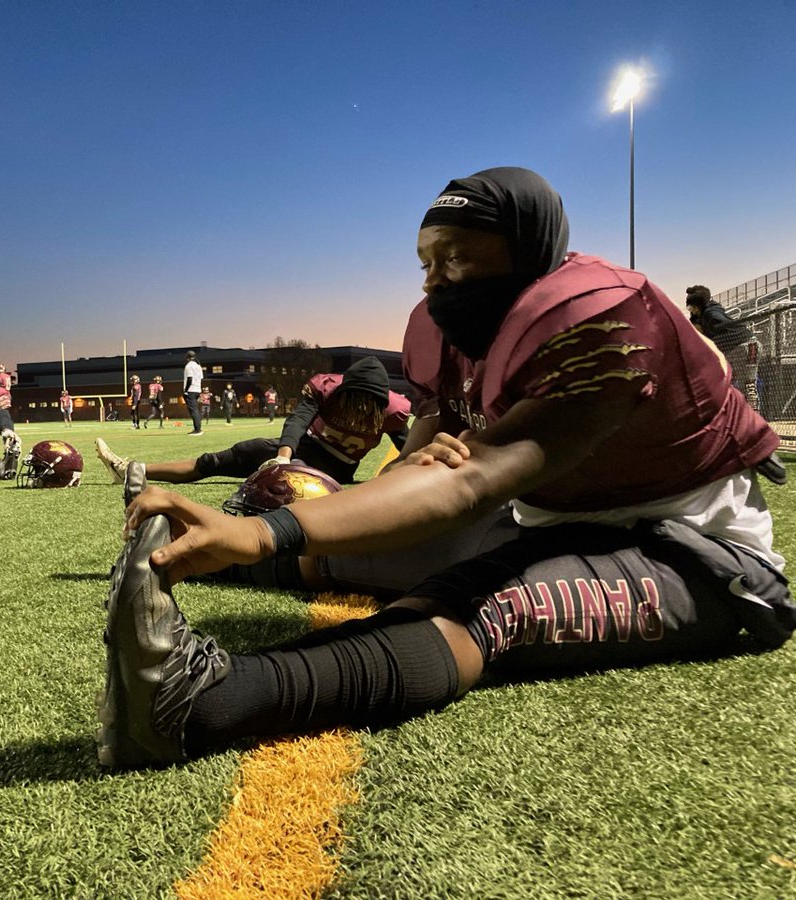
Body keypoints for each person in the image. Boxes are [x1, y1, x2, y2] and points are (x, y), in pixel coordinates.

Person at [95, 165, 793, 771]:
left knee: (488, 602)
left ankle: (200, 704)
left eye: (458, 256)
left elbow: (470, 480)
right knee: (373, 546)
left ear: (529, 249)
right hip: (542, 518)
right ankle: (189, 559)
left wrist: (264, 530)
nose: (437, 280)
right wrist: (383, 480)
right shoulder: (445, 335)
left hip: (688, 543)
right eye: (428, 261)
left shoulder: (604, 317)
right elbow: (421, 471)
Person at [95, 355, 410, 490]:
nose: (358, 409)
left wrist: (393, 477)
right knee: (222, 459)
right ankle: (131, 470)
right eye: (353, 401)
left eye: (367, 405)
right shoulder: (326, 389)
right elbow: (298, 420)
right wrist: (284, 455)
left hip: (338, 469)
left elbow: (409, 448)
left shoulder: (394, 412)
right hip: (307, 450)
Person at [685, 285, 761, 410]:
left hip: (741, 347)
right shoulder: (709, 310)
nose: (690, 310)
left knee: (745, 385)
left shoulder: (711, 314)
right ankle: (747, 415)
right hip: (747, 345)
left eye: (690, 307)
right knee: (743, 384)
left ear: (697, 306)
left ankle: (750, 417)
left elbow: (717, 322)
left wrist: (707, 330)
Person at [183, 350, 204, 435]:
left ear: (187, 357)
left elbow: (189, 379)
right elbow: (201, 378)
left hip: (191, 390)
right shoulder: (198, 366)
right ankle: (198, 428)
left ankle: (197, 429)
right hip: (197, 389)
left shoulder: (188, 366)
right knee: (196, 410)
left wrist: (186, 390)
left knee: (193, 410)